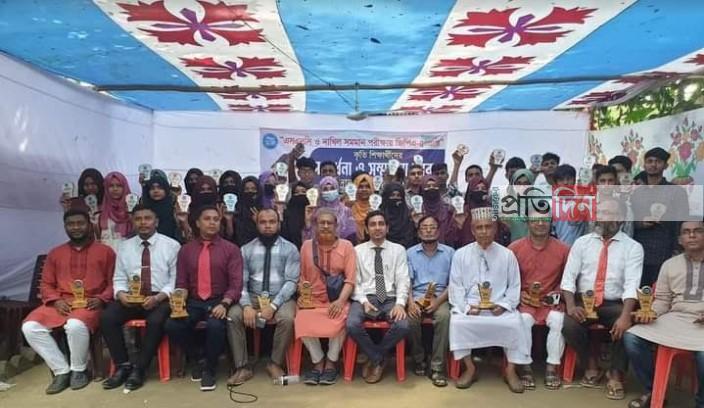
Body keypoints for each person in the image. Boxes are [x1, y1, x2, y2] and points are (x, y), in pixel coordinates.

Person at [22, 206, 115, 394]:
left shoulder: (105, 251)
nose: (76, 227)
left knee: (75, 325)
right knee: (30, 327)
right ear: (65, 227)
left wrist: (102, 298)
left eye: (80, 223)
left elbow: (115, 281)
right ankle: (61, 370)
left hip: (90, 303)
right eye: (71, 224)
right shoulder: (55, 253)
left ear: (89, 225)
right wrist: (55, 300)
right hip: (61, 302)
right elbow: (46, 284)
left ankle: (79, 370)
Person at [560, 197, 644, 400]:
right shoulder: (582, 243)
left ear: (621, 218)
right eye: (600, 213)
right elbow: (568, 278)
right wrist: (570, 306)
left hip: (614, 303)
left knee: (627, 325)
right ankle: (591, 364)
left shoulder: (633, 247)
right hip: (584, 301)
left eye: (609, 213)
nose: (603, 218)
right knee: (568, 325)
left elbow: (631, 285)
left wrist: (625, 316)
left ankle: (615, 374)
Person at [448, 207, 530, 392]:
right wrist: (467, 307)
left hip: (499, 309)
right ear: (472, 230)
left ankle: (510, 370)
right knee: (457, 323)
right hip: (471, 309)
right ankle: (470, 368)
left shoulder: (507, 255)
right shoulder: (460, 254)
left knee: (516, 323)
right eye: (479, 227)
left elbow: (514, 286)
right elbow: (456, 286)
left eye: (488, 227)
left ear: (495, 229)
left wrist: (503, 305)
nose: (484, 231)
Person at [624, 220, 704, 408]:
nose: (692, 235)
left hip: (701, 323)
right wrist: (650, 313)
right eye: (686, 232)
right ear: (680, 239)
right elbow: (662, 299)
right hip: (674, 318)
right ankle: (654, 390)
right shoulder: (669, 264)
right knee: (632, 337)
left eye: (698, 231)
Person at [101, 205, 180, 391]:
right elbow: (119, 278)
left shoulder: (172, 246)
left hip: (160, 298)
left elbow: (175, 280)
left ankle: (140, 369)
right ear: (132, 222)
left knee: (156, 321)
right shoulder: (125, 247)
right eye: (138, 219)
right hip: (132, 297)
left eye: (147, 218)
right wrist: (121, 294)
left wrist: (158, 298)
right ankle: (122, 366)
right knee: (107, 317)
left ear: (156, 222)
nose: (143, 222)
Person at [165, 205, 243, 391]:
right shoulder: (186, 250)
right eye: (207, 219)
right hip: (193, 301)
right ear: (198, 223)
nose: (212, 223)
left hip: (219, 300)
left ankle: (209, 370)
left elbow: (236, 284)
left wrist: (225, 304)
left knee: (215, 326)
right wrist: (180, 298)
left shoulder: (231, 249)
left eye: (216, 219)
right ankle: (199, 358)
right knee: (172, 325)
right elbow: (182, 281)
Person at [227, 209, 300, 385]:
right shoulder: (246, 249)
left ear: (279, 224)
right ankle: (242, 367)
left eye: (272, 222)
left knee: (287, 318)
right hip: (253, 296)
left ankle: (275, 363)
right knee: (232, 316)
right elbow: (240, 282)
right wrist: (246, 306)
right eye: (263, 222)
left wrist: (273, 306)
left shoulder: (290, 249)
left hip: (280, 296)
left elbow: (291, 282)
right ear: (257, 224)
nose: (268, 226)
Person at [346, 211, 410, 384]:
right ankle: (379, 358)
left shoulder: (398, 250)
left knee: (403, 325)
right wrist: (364, 301)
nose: (377, 228)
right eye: (372, 224)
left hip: (390, 298)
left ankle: (375, 356)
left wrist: (400, 304)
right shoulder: (357, 251)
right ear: (367, 229)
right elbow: (355, 280)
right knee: (351, 324)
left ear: (387, 228)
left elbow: (403, 279)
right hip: (365, 297)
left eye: (381, 224)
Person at [509, 213, 570, 390]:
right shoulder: (514, 248)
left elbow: (568, 279)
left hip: (551, 301)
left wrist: (557, 294)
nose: (540, 223)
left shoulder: (563, 249)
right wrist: (519, 293)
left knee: (558, 320)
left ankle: (552, 367)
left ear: (551, 223)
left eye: (545, 220)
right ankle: (525, 366)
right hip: (526, 302)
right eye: (535, 220)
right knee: (524, 320)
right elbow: (507, 278)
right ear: (527, 223)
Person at [295, 208, 356, 385]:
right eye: (321, 222)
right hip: (312, 300)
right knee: (301, 318)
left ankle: (331, 361)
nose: (326, 226)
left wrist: (340, 301)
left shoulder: (346, 247)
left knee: (342, 316)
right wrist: (302, 295)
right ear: (315, 226)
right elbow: (302, 277)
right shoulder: (306, 246)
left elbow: (350, 280)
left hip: (337, 298)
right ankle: (318, 360)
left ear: (337, 226)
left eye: (330, 223)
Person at [406, 215, 453, 387]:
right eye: (424, 227)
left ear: (438, 231)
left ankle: (437, 367)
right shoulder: (410, 253)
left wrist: (438, 301)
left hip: (441, 297)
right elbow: (406, 282)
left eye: (432, 227)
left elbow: (454, 283)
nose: (428, 230)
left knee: (444, 317)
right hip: (417, 297)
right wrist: (410, 302)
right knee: (410, 319)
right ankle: (419, 359)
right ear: (418, 232)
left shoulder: (450, 253)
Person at [632, 147, 689, 286]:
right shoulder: (636, 193)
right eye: (649, 161)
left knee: (663, 291)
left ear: (665, 165)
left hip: (665, 248)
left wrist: (677, 250)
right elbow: (628, 220)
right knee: (640, 291)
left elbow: (682, 223)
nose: (653, 164)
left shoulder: (676, 192)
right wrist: (641, 223)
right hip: (639, 249)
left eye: (658, 161)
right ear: (644, 165)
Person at [455, 177, 511, 247]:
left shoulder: (493, 210)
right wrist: (459, 226)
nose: (480, 191)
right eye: (476, 188)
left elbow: (502, 232)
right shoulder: (463, 211)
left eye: (483, 188)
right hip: (468, 250)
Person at [307, 177, 355, 241]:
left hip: (343, 245)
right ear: (320, 192)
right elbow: (309, 235)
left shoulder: (346, 211)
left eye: (332, 188)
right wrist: (308, 221)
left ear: (337, 190)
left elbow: (352, 233)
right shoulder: (314, 211)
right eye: (325, 189)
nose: (329, 191)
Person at [552, 164, 588, 247]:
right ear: (556, 183)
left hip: (580, 248)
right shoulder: (551, 203)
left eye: (569, 179)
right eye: (561, 180)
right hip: (559, 249)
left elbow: (575, 221)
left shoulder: (583, 200)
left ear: (574, 180)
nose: (565, 182)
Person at [97, 171, 133, 251]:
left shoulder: (132, 209)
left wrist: (131, 216)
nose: (115, 189)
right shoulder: (100, 211)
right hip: (106, 253)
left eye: (119, 186)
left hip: (128, 253)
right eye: (111, 186)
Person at [418, 175, 456, 245]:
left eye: (434, 186)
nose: (431, 188)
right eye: (428, 186)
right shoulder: (418, 209)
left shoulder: (447, 209)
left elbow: (452, 232)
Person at [142, 172, 180, 241]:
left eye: (160, 188)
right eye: (152, 188)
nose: (156, 191)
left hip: (171, 242)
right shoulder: (143, 208)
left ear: (166, 189)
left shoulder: (174, 207)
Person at [380, 183, 416, 248]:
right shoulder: (380, 216)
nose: (395, 198)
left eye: (398, 195)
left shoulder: (409, 216)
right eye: (392, 195)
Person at [504, 169, 535, 242]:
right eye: (518, 183)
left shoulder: (539, 203)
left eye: (526, 183)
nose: (522, 186)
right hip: (514, 246)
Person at [234, 176, 263, 247]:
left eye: (253, 189)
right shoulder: (236, 208)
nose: (250, 191)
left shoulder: (263, 209)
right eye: (246, 189)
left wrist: (259, 221)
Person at [281, 182, 309, 249]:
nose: (300, 194)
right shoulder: (287, 214)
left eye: (303, 192)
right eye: (296, 192)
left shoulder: (314, 213)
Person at [351, 173, 373, 243]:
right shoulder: (349, 207)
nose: (364, 189)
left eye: (367, 186)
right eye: (360, 187)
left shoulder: (378, 207)